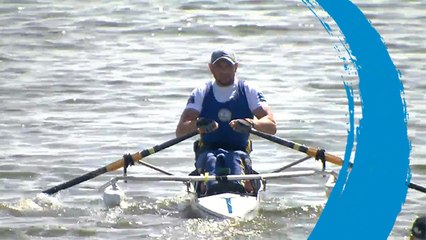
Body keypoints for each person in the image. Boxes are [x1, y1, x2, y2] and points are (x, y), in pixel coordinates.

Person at [175, 49, 276, 195]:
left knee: (235, 159)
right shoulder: (201, 92)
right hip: (207, 150)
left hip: (239, 151)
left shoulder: (248, 90)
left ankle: (242, 186)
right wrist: (198, 124)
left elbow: (271, 126)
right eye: (219, 66)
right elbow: (180, 131)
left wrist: (250, 123)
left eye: (228, 66)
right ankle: (206, 188)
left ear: (236, 67)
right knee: (210, 159)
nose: (224, 71)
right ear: (211, 68)